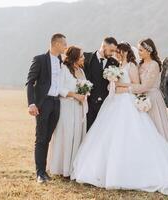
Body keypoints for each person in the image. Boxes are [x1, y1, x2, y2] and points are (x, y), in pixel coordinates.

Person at [71, 42, 168, 195]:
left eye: (118, 52)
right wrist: (113, 83)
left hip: (127, 104)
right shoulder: (119, 66)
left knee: (138, 137)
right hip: (114, 104)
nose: (116, 55)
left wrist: (122, 88)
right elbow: (114, 86)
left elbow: (136, 85)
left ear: (125, 52)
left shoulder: (132, 67)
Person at [116, 38, 168, 152]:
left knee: (156, 129)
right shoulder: (140, 64)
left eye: (141, 50)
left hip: (153, 99)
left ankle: (162, 155)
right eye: (138, 50)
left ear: (149, 51)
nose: (138, 53)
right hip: (140, 99)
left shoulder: (154, 65)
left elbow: (145, 86)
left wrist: (122, 87)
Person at [26, 33, 67, 183]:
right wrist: (31, 103)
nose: (65, 47)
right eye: (64, 44)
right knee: (41, 138)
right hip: (43, 104)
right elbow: (30, 82)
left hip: (56, 104)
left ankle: (44, 172)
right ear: (56, 44)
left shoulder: (61, 61)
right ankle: (40, 173)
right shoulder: (40, 59)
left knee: (48, 138)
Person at [47, 46, 87, 178]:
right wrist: (75, 95)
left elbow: (84, 86)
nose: (84, 58)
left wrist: (85, 93)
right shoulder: (63, 69)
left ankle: (73, 168)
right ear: (75, 58)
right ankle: (63, 169)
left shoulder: (81, 70)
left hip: (79, 107)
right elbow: (59, 89)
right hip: (67, 107)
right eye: (81, 56)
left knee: (77, 135)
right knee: (67, 135)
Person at [83, 37, 119, 131]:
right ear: (103, 46)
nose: (112, 53)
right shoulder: (86, 58)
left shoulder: (114, 63)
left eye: (114, 51)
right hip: (89, 106)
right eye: (111, 50)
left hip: (105, 106)